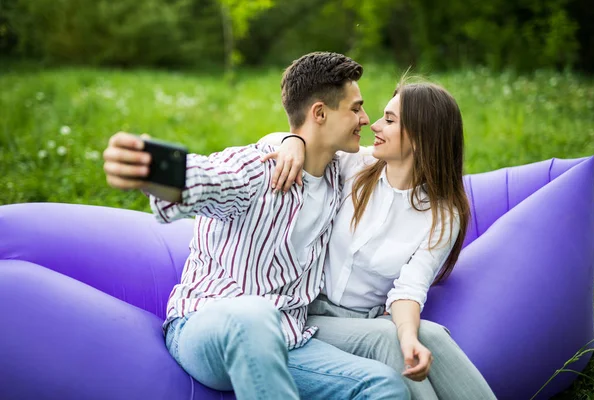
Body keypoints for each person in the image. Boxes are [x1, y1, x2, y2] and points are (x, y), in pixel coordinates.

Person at [102, 52, 410, 400]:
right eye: (356, 108)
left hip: (287, 338)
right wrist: (151, 170)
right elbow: (208, 177)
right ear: (320, 113)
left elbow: (403, 157)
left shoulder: (342, 171)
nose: (365, 119)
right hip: (209, 327)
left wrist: (292, 139)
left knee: (383, 385)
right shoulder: (259, 168)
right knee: (254, 313)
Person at [259, 80, 497, 399]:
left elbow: (410, 288)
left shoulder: (444, 213)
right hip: (308, 315)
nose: (374, 124)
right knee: (388, 337)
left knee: (432, 336)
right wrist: (291, 142)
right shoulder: (354, 165)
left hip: (364, 320)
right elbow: (295, 139)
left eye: (389, 119)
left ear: (421, 135)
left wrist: (410, 335)